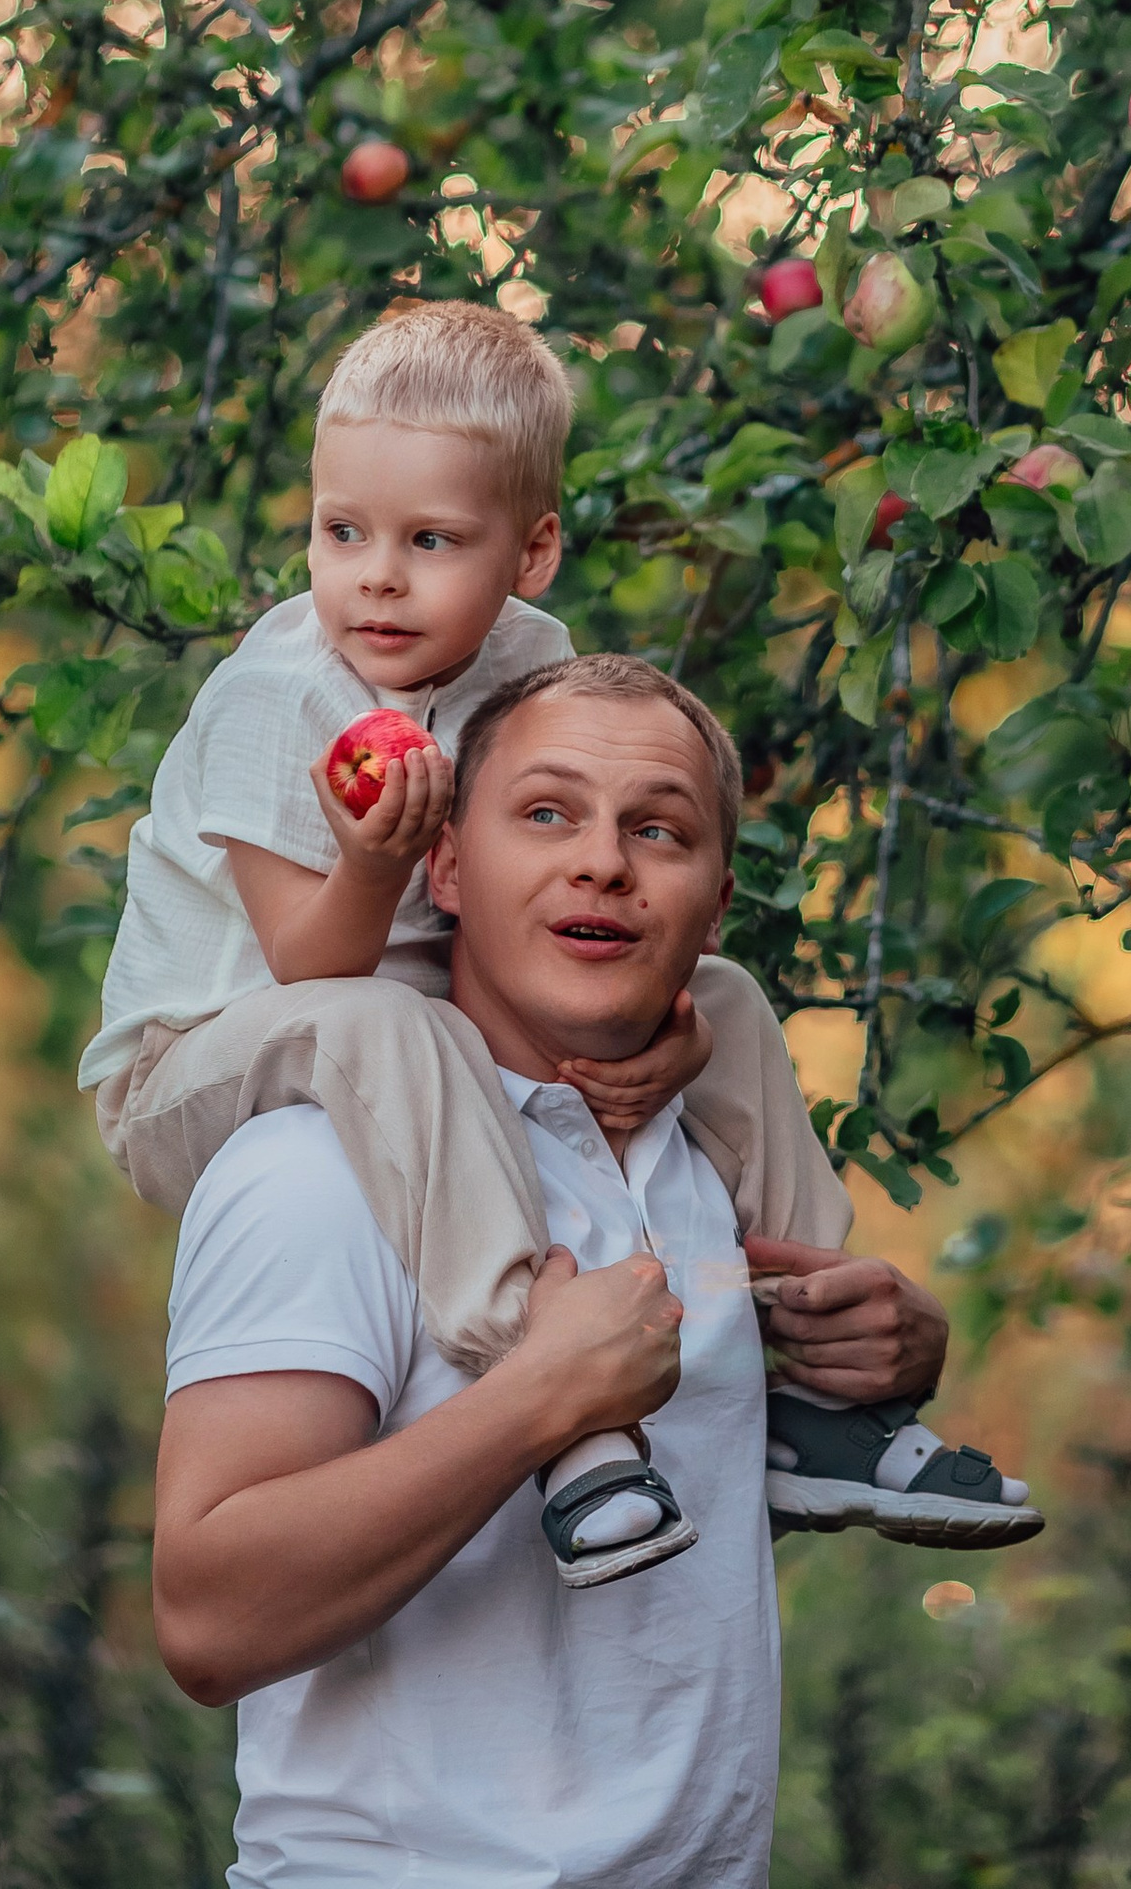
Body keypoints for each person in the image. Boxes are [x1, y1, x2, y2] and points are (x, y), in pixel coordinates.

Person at [86, 302, 1037, 1576]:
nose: (376, 576)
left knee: (735, 994)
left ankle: (814, 1380)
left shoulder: (526, 661)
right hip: (204, 1052)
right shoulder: (277, 699)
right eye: (341, 532)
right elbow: (314, 972)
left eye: (431, 540)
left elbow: (523, 882)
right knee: (386, 1020)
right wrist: (373, 857)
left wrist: (674, 1029)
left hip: (385, 1009)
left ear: (530, 554)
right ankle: (537, 1354)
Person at [152, 653, 962, 1889]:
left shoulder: (705, 1172)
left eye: (658, 829)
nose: (603, 862)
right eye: (546, 813)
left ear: (715, 898)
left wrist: (874, 1357)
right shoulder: (317, 1171)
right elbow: (206, 1624)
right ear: (448, 869)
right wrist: (537, 1400)